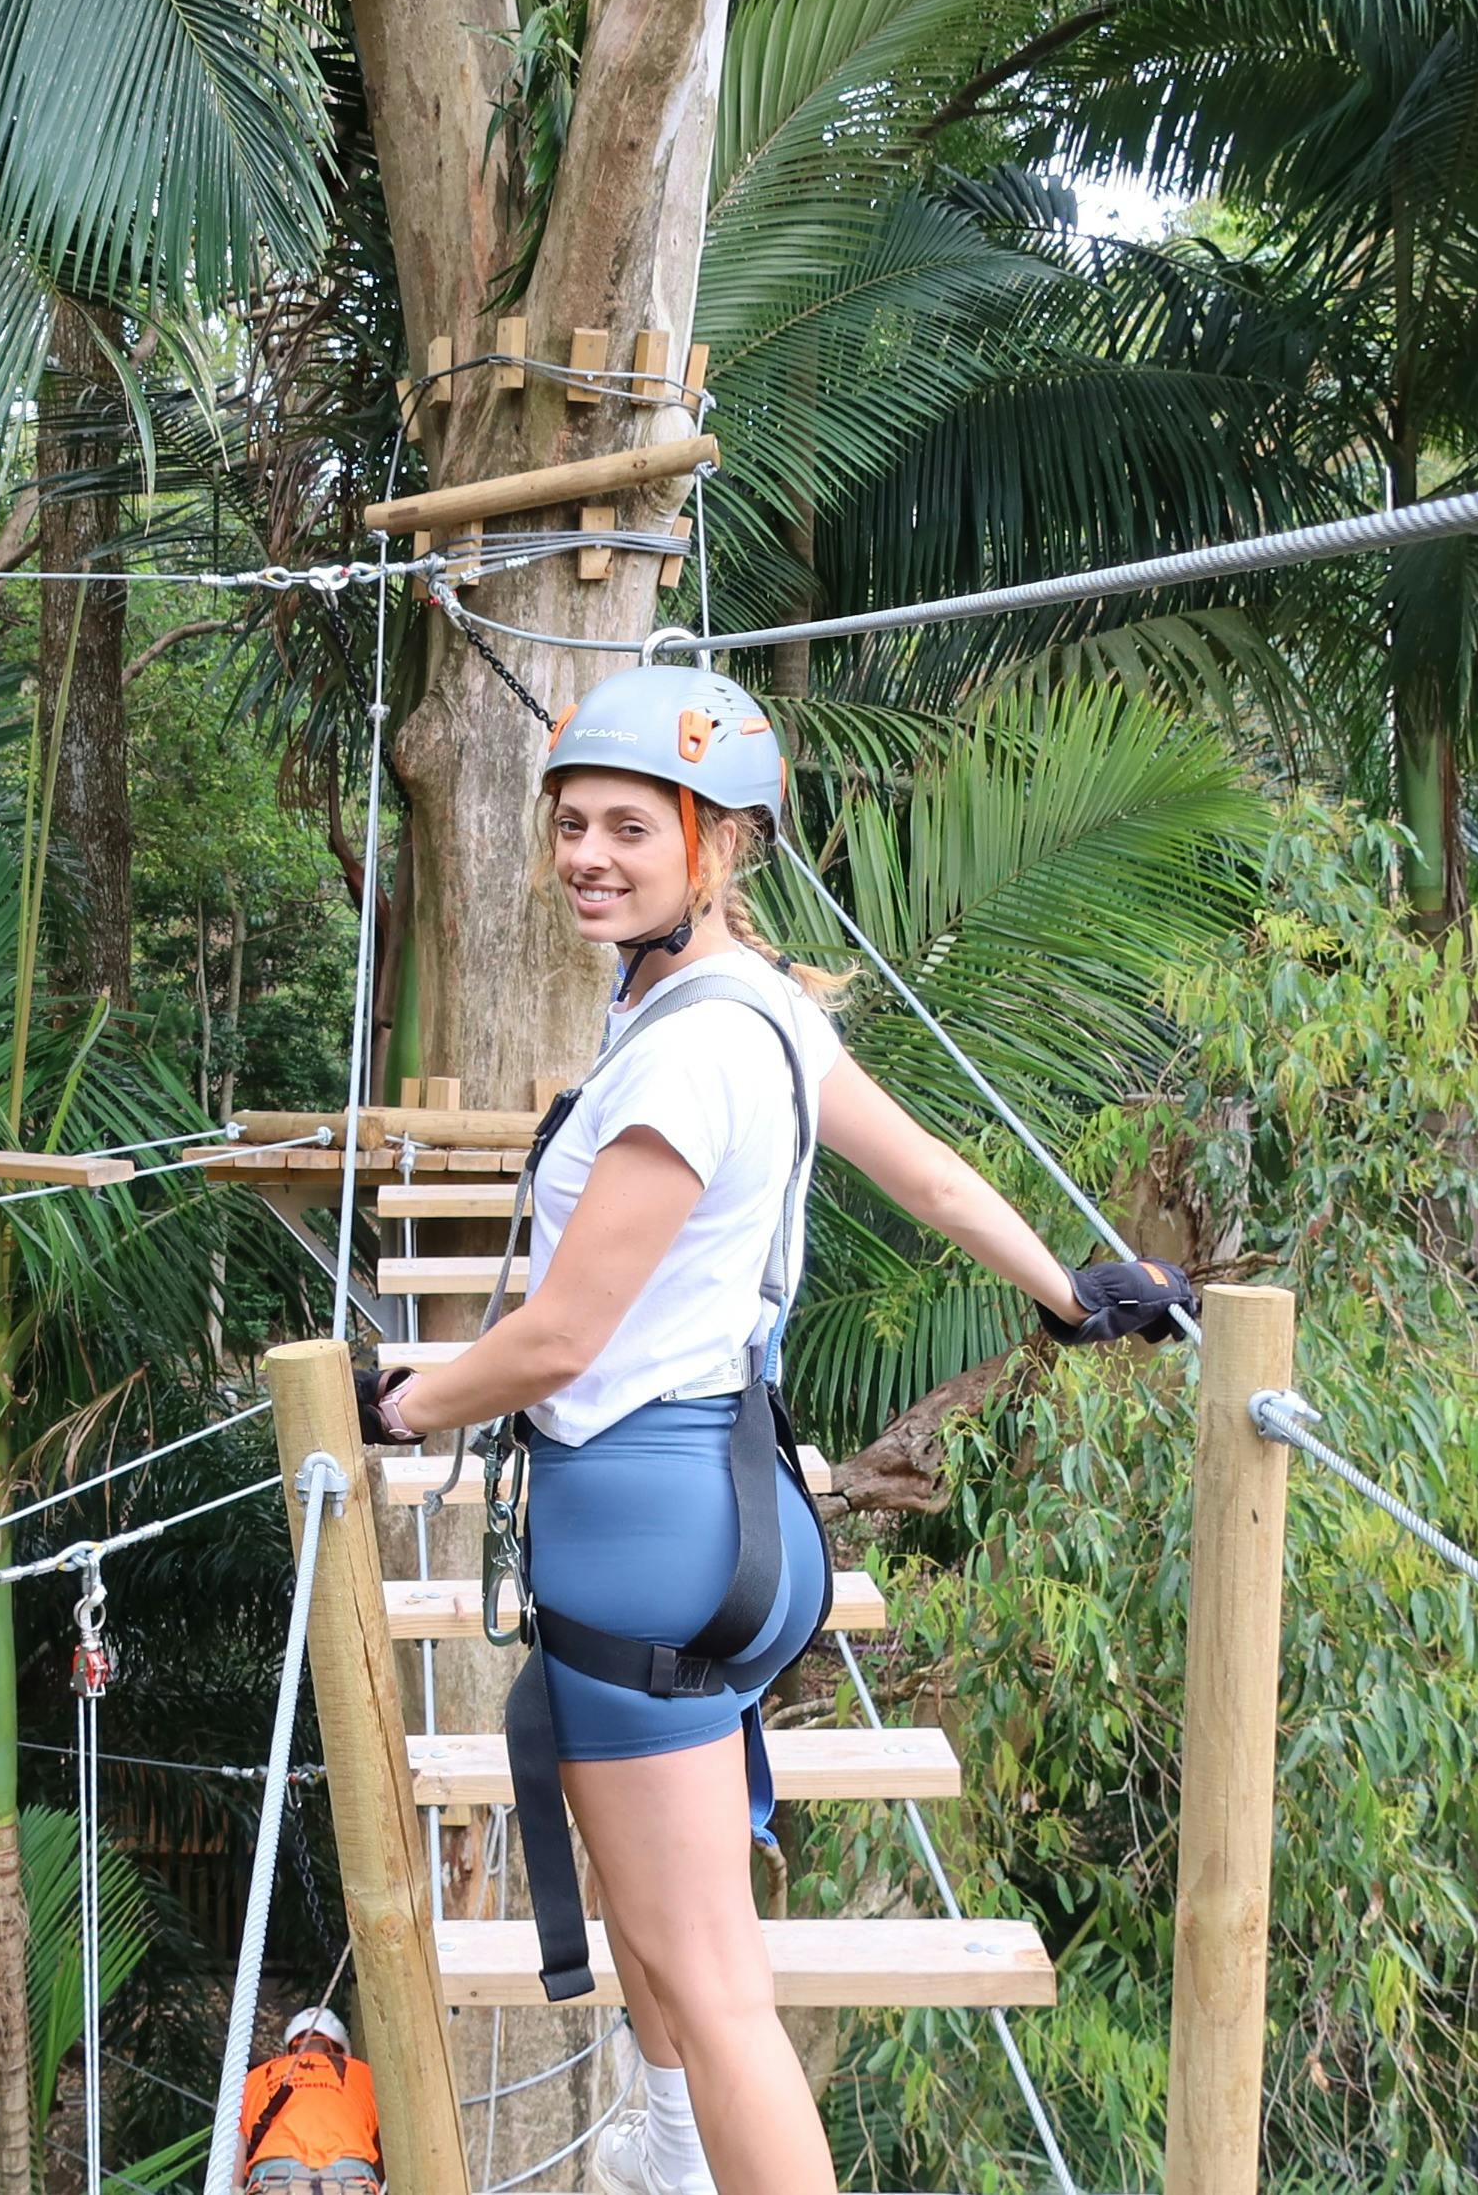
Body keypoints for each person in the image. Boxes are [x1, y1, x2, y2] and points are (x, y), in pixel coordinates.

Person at [355, 665, 1191, 2195]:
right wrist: (1068, 1292)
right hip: (738, 1513)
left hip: (645, 1528)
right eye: (570, 823)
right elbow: (928, 1175)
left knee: (719, 1983)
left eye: (630, 828)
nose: (587, 855)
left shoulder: (688, 1050)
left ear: (718, 841)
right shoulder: (754, 1007)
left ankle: (694, 2151)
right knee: (660, 1917)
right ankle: (671, 2156)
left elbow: (562, 1336)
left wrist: (396, 1403)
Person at [237, 2005, 385, 2192]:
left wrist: (234, 2188)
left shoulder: (256, 2078)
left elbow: (233, 2156)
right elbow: (387, 2144)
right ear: (342, 2051)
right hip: (350, 2178)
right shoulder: (364, 2074)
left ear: (289, 2051)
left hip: (275, 2178)